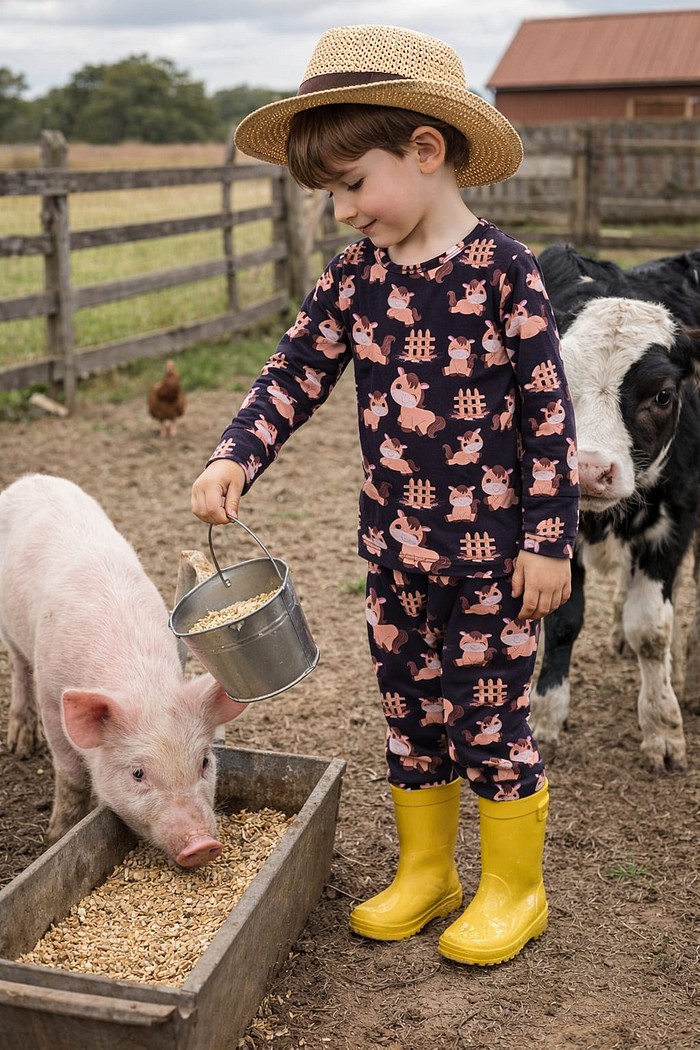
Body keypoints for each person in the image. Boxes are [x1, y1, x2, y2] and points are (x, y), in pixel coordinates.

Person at [191, 24, 579, 966]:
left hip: (495, 562)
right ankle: (428, 870)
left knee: (488, 717)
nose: (343, 211)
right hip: (393, 554)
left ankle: (514, 888)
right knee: (412, 712)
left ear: (426, 151)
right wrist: (236, 452)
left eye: (353, 185)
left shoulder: (503, 274)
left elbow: (550, 418)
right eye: (330, 196)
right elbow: (294, 371)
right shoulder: (353, 280)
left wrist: (550, 540)